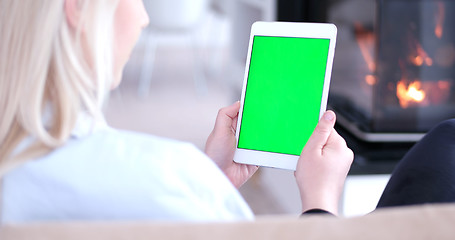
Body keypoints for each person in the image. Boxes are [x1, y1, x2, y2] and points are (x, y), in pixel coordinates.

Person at [0, 0, 353, 222]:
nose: (142, 17)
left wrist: (212, 179)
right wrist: (321, 199)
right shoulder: (167, 176)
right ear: (77, 7)